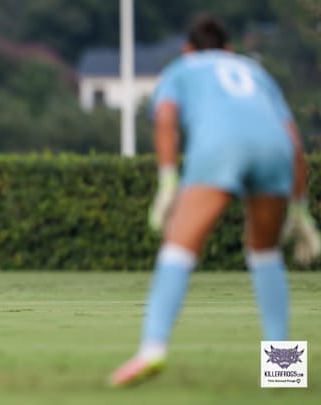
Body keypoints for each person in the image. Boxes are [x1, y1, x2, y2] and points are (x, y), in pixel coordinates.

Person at [109, 14, 321, 386]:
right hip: (275, 148)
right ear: (229, 49)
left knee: (179, 248)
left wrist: (167, 181)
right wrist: (301, 209)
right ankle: (284, 370)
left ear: (188, 49)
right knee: (266, 255)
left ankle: (153, 349)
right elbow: (292, 137)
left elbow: (166, 118)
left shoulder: (182, 68)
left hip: (221, 146)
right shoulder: (254, 71)